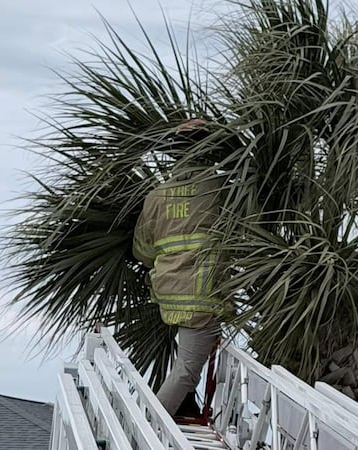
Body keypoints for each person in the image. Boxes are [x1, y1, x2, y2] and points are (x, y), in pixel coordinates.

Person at [132, 118, 229, 417]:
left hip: (167, 294)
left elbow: (143, 251)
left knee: (187, 364)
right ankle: (145, 426)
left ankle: (184, 409)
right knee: (186, 371)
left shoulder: (156, 196)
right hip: (203, 299)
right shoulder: (222, 189)